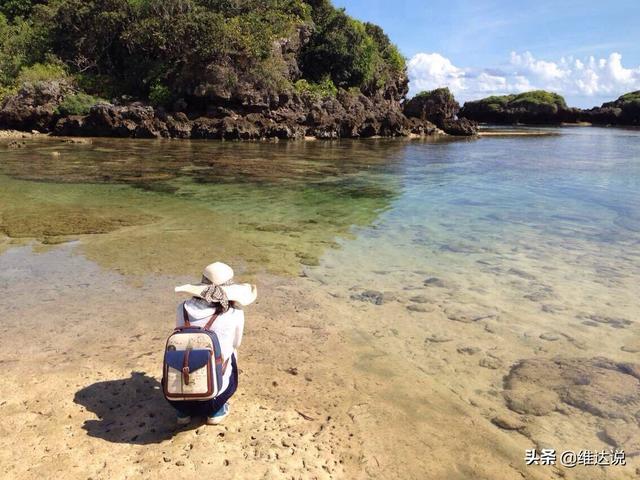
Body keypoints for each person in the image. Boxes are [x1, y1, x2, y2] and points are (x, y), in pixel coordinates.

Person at [171, 262, 257, 426]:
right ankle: (216, 411)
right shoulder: (235, 313)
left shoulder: (182, 308)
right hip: (213, 396)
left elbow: (179, 335)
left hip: (177, 395)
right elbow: (236, 343)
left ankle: (183, 412)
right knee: (232, 353)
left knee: (184, 348)